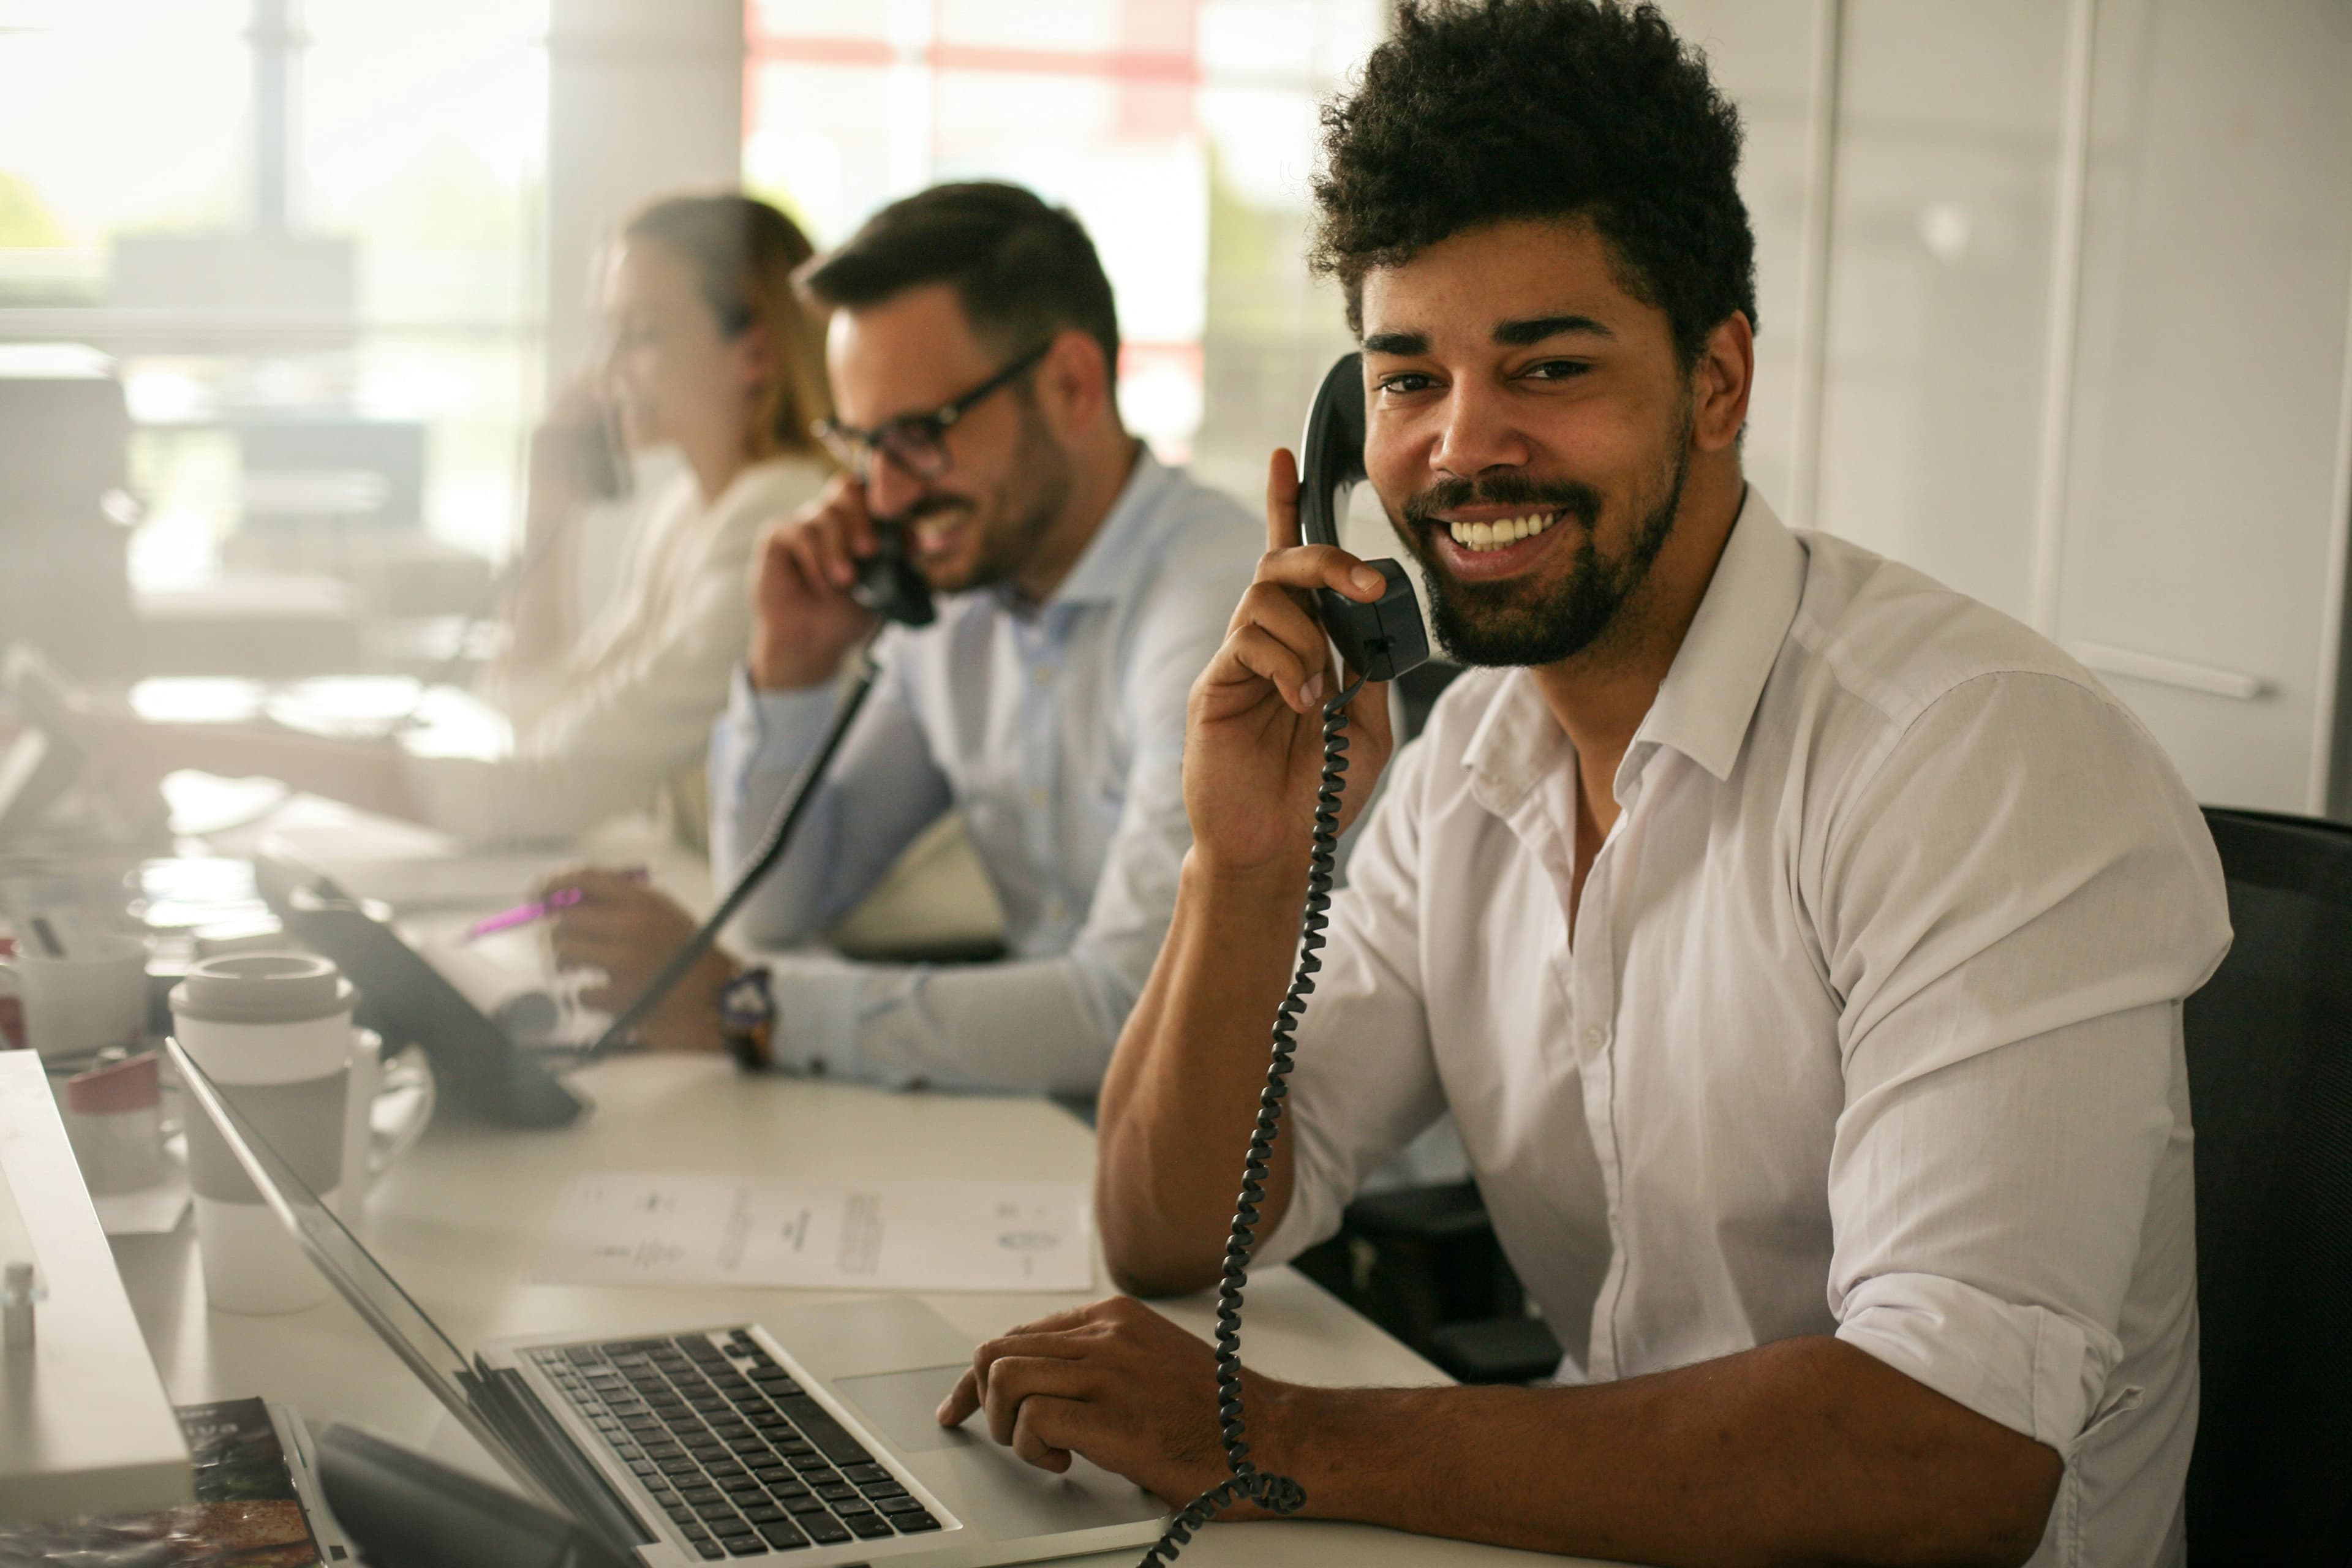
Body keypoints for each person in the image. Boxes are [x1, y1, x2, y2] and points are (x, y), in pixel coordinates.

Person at [931, 4, 2232, 1566]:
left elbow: (1946, 1453)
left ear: (1716, 380)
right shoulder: (1462, 768)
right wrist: (1247, 862)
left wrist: (1275, 1433)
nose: (1463, 447)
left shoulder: (1973, 756)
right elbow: (1164, 1229)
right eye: (1408, 381)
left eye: (1546, 364)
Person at [547, 183, 1260, 1096]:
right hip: (1063, 1121)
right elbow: (775, 907)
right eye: (862, 443)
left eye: (919, 436)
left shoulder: (1212, 605)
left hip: (1293, 1189)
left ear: (1073, 385)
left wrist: (748, 1009)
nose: (881, 497)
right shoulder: (962, 605)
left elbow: (1132, 1008)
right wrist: (791, 670)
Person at [108, 193, 833, 847]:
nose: (600, 369)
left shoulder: (771, 521)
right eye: (603, 332)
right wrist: (547, 501)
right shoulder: (690, 510)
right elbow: (530, 710)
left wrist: (217, 747)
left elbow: (539, 792)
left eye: (639, 334)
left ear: (757, 351)